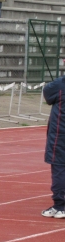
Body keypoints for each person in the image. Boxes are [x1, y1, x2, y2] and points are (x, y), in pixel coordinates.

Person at [41, 77, 65, 219]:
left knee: (59, 168)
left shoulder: (60, 85)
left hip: (60, 136)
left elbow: (48, 94)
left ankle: (60, 206)